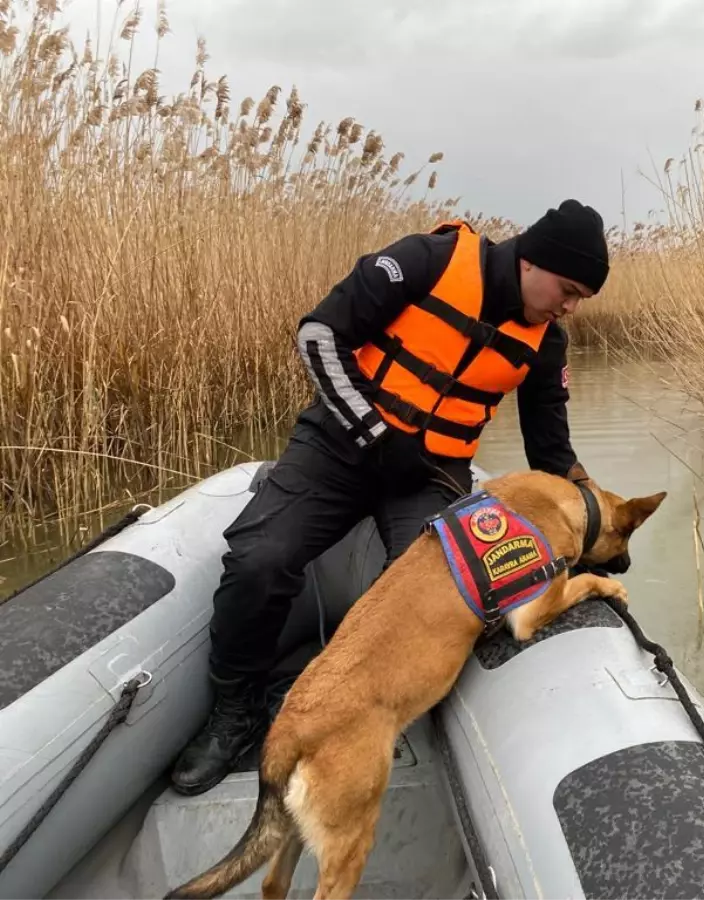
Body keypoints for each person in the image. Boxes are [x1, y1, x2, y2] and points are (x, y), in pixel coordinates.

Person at [170, 199, 609, 795]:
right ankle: (235, 711)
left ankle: (353, 712)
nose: (570, 306)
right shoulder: (427, 260)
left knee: (437, 594)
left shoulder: (544, 344)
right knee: (261, 559)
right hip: (338, 448)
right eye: (568, 288)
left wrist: (597, 516)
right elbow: (319, 333)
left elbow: (551, 450)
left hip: (431, 474)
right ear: (534, 260)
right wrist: (375, 434)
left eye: (581, 296)